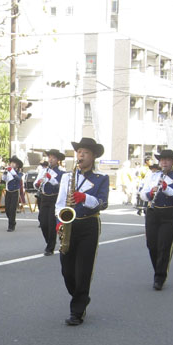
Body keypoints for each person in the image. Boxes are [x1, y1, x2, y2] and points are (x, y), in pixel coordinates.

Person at [56, 137, 109, 325]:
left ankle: (77, 310)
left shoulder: (101, 178)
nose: (81, 155)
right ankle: (80, 296)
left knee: (83, 270)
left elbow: (103, 203)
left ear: (93, 156)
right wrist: (59, 220)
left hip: (89, 225)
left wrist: (84, 197)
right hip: (69, 225)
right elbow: (60, 202)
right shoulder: (67, 176)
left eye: (85, 152)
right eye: (79, 152)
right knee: (67, 271)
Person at [139, 149, 173, 290]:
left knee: (164, 246)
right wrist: (150, 193)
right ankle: (157, 269)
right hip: (153, 212)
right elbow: (142, 193)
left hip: (169, 213)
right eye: (162, 160)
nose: (164, 162)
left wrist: (167, 189)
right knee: (152, 245)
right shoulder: (153, 176)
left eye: (168, 160)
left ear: (172, 162)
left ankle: (160, 276)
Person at [35, 149, 65, 256]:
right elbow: (36, 183)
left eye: (53, 158)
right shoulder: (43, 170)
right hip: (44, 197)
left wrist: (50, 178)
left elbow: (59, 185)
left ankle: (50, 247)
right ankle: (49, 242)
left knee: (51, 223)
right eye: (49, 157)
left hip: (54, 198)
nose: (50, 159)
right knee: (43, 222)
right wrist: (38, 183)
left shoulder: (62, 172)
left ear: (58, 160)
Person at [3, 156, 23, 232]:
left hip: (15, 192)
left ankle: (11, 225)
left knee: (12, 209)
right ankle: (11, 220)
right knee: (7, 209)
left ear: (17, 165)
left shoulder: (19, 173)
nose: (12, 164)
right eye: (11, 163)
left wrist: (12, 172)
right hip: (8, 191)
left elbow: (18, 179)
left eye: (14, 163)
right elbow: (4, 180)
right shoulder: (8, 172)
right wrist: (5, 173)